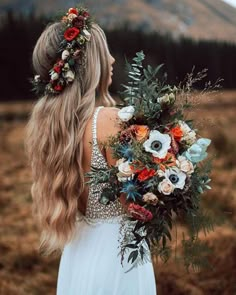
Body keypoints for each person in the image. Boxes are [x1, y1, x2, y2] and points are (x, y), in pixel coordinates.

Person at [25, 6, 157, 295]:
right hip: (119, 258)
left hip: (78, 255)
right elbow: (141, 201)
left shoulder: (54, 129)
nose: (111, 59)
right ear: (89, 63)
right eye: (104, 52)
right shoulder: (110, 121)